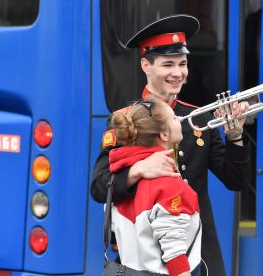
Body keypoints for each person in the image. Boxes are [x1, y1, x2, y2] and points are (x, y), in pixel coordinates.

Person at [91, 14, 251, 276]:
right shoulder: (125, 119)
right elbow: (99, 188)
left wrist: (235, 135)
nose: (178, 73)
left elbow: (236, 180)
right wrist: (137, 170)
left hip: (199, 253)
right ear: (146, 65)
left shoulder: (199, 117)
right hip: (143, 258)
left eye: (183, 64)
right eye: (168, 64)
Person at [109, 100, 201, 276]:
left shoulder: (119, 178)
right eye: (174, 118)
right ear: (165, 135)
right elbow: (174, 254)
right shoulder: (168, 183)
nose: (179, 119)